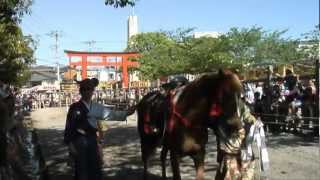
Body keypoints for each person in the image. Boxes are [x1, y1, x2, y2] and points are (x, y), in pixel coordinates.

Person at [64, 78, 135, 180]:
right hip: (79, 141)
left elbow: (111, 114)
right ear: (81, 91)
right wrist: (70, 145)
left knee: (95, 168)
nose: (87, 91)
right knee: (81, 170)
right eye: (84, 89)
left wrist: (126, 113)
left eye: (89, 89)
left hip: (92, 140)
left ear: (93, 91)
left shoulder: (97, 107)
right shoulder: (74, 107)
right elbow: (69, 127)